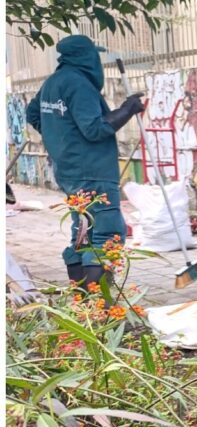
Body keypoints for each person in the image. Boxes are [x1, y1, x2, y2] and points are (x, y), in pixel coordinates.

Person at [32, 36, 145, 288]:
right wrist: (128, 109)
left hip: (69, 169)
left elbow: (33, 113)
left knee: (83, 231)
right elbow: (95, 129)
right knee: (107, 233)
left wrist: (60, 139)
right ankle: (101, 309)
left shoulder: (54, 82)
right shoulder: (78, 84)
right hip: (92, 170)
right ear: (85, 56)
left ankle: (82, 306)